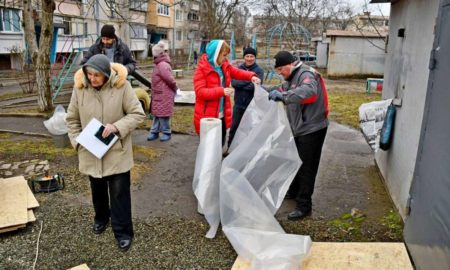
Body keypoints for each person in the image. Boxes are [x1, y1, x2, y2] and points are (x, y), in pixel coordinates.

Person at [66, 54, 146, 251]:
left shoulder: (122, 87)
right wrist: (77, 143)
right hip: (91, 151)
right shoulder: (80, 89)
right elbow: (72, 119)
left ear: (107, 74)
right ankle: (101, 218)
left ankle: (123, 231)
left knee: (119, 193)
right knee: (97, 189)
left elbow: (138, 114)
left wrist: (117, 127)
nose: (92, 79)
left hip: (116, 151)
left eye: (97, 75)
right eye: (89, 74)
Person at [267, 51, 329, 221]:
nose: (280, 73)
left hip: (312, 128)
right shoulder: (291, 78)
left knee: (307, 167)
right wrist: (263, 90)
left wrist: (284, 96)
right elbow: (281, 89)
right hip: (300, 128)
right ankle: (294, 191)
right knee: (295, 160)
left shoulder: (306, 74)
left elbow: (308, 91)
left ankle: (304, 206)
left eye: (281, 69)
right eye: (277, 70)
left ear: (290, 64)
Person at [193, 39, 261, 146]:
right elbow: (200, 92)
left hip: (222, 114)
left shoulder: (224, 65)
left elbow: (236, 72)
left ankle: (217, 162)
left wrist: (251, 76)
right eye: (224, 55)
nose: (226, 58)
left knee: (220, 142)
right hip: (208, 116)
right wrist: (221, 91)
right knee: (209, 146)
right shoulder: (201, 70)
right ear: (216, 54)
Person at [228, 47, 264, 148]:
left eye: (251, 56)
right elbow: (234, 83)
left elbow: (254, 86)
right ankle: (230, 148)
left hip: (252, 105)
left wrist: (242, 82)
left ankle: (246, 151)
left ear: (255, 57)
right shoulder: (238, 69)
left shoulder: (259, 71)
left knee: (249, 129)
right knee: (234, 127)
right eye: (247, 56)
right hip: (238, 105)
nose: (249, 58)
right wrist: (249, 80)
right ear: (244, 57)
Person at [147, 41, 178, 142]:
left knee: (163, 115)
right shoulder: (159, 64)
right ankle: (154, 131)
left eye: (154, 56)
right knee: (157, 114)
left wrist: (175, 88)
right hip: (158, 94)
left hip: (164, 94)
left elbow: (169, 79)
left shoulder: (163, 65)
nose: (153, 58)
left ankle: (166, 132)